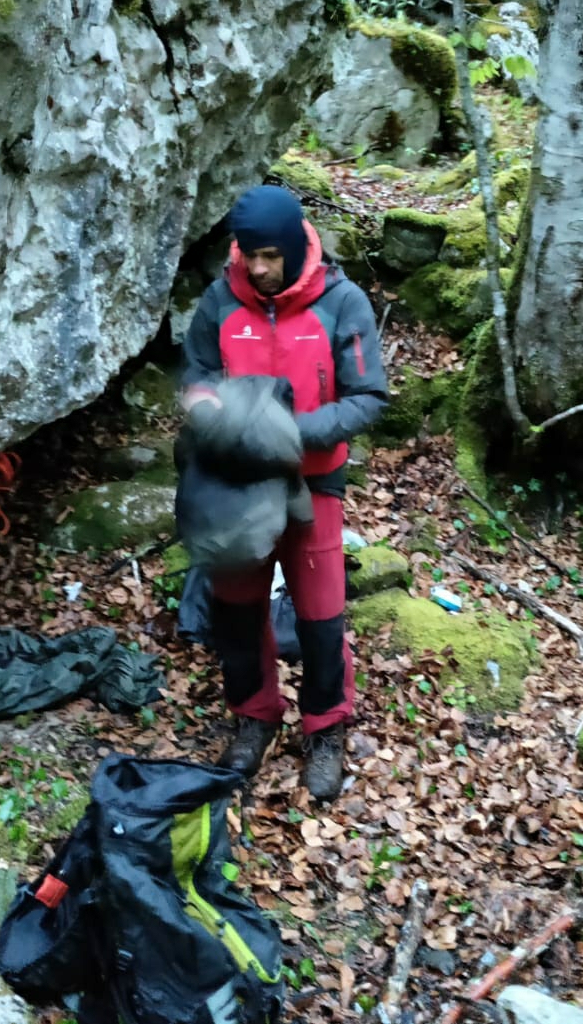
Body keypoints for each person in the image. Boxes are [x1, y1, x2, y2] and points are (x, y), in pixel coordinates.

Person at [179, 184, 388, 801]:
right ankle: (254, 718)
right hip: (235, 484)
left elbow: (368, 396)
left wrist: (290, 434)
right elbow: (194, 376)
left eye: (271, 255)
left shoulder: (341, 303)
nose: (260, 268)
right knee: (237, 613)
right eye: (250, 255)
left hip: (313, 479)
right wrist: (211, 410)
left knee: (320, 613)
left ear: (297, 246)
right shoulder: (221, 301)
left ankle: (325, 729)